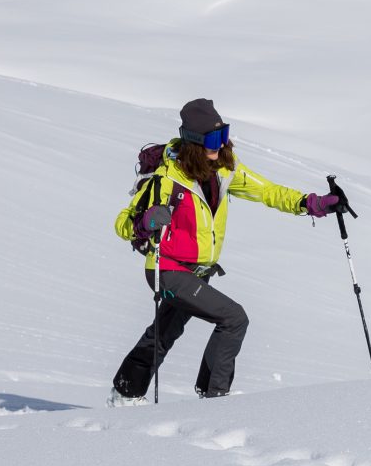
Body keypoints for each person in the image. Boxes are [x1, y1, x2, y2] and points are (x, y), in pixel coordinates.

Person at [111, 98, 339, 402]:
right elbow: (124, 224)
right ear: (193, 142)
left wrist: (313, 204)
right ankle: (215, 399)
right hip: (167, 269)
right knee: (234, 319)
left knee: (163, 334)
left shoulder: (224, 170)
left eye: (223, 135)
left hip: (197, 273)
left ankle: (126, 392)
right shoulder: (167, 180)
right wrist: (149, 220)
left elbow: (268, 191)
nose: (219, 145)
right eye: (212, 139)